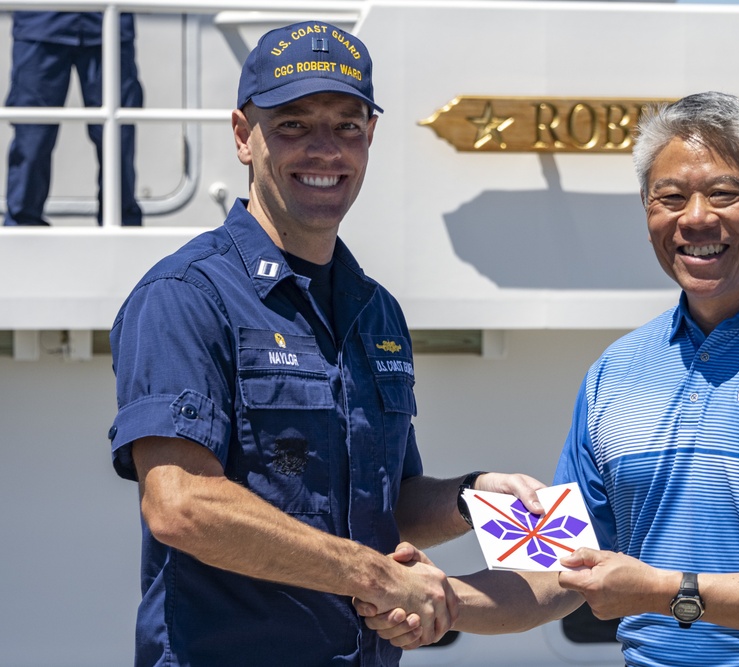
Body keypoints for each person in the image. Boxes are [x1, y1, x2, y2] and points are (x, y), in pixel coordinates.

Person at [358, 91, 739, 667]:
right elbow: (558, 568)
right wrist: (445, 597)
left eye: (723, 193)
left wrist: (671, 592)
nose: (695, 218)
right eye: (670, 197)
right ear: (647, 211)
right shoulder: (616, 370)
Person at [107, 20, 543, 666]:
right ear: (242, 136)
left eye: (346, 125)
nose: (325, 150)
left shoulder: (375, 309)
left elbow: (382, 502)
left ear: (369, 137)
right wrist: (375, 575)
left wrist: (472, 497)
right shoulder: (185, 295)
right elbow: (181, 505)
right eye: (293, 125)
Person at [4, 11, 143, 226]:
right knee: (32, 141)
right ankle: (23, 232)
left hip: (107, 23)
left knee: (117, 141)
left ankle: (122, 228)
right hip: (41, 22)